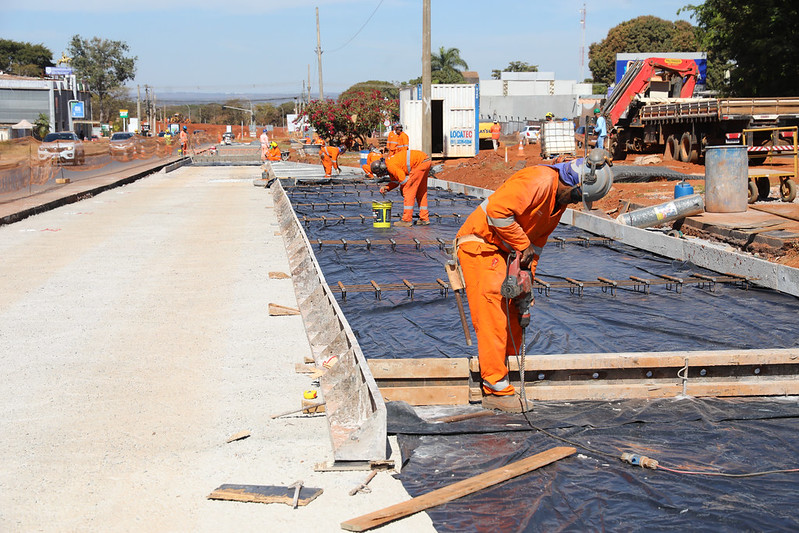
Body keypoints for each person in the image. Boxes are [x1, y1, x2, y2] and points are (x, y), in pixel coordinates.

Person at [453, 149, 613, 412]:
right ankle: (495, 386)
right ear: (572, 182)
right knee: (494, 308)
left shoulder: (557, 204)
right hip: (480, 245)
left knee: (516, 311)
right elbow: (497, 211)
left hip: (507, 252)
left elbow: (536, 245)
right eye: (575, 196)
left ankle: (506, 371)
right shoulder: (539, 181)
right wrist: (522, 245)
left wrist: (527, 281)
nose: (573, 202)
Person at [371, 149, 432, 227]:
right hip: (425, 161)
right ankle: (424, 218)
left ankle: (406, 220)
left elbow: (403, 180)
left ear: (382, 169)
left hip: (420, 163)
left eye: (381, 174)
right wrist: (387, 187)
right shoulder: (389, 164)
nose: (382, 175)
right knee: (421, 192)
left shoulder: (390, 166)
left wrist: (403, 189)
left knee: (408, 191)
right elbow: (396, 181)